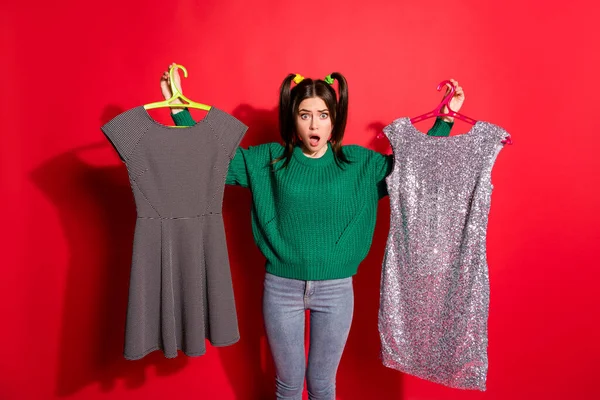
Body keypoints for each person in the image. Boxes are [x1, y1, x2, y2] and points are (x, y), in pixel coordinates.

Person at [160, 65, 464, 400]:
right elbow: (211, 161)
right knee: (288, 386)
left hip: (336, 292)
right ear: (293, 119)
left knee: (322, 385)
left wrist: (445, 121)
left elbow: (414, 168)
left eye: (322, 115)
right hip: (281, 289)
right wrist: (178, 111)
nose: (314, 123)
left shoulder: (360, 165)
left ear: (335, 120)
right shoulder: (270, 161)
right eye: (305, 115)